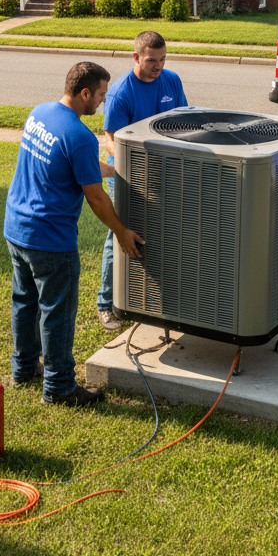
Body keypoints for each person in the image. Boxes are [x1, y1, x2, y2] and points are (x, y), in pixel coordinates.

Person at [4, 61, 144, 407]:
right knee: (57, 312)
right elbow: (96, 197)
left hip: (17, 228)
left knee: (25, 302)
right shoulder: (80, 135)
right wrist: (122, 232)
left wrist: (115, 169)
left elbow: (70, 163)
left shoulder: (41, 113)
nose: (103, 102)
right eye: (100, 95)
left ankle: (23, 369)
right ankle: (60, 388)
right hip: (50, 239)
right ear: (85, 93)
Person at [97, 30, 188, 331]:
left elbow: (183, 122)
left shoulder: (171, 80)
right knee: (119, 236)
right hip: (127, 175)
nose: (158, 66)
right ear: (136, 57)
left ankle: (155, 297)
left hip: (167, 173)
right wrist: (136, 161)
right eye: (151, 61)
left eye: (162, 59)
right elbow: (111, 142)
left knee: (164, 232)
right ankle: (106, 304)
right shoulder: (122, 92)